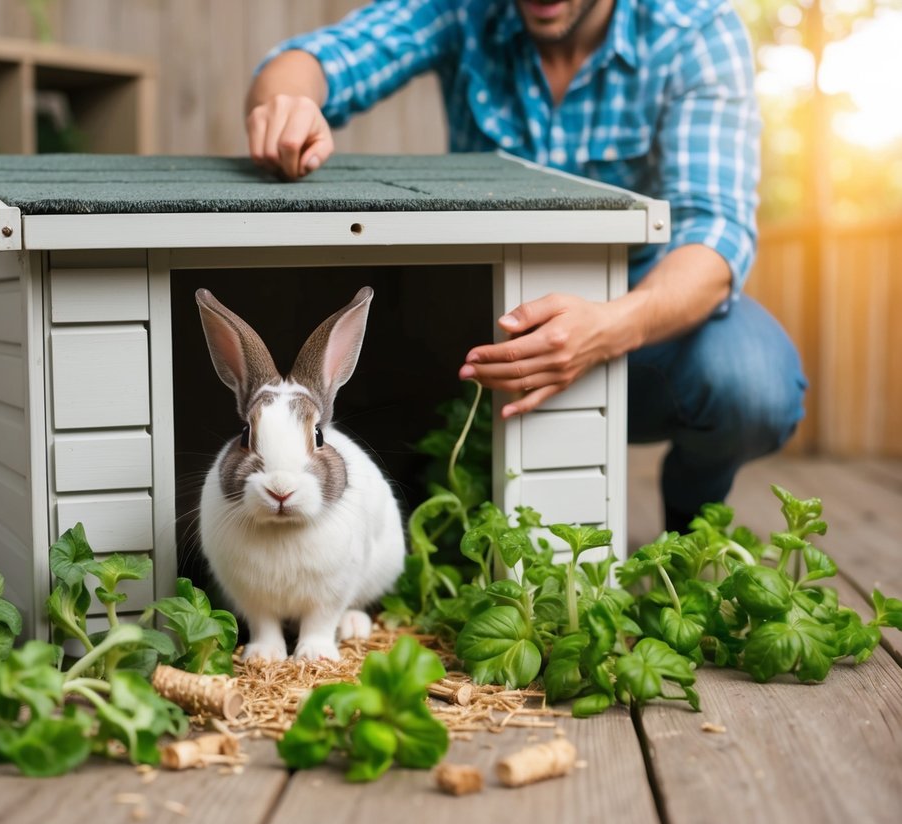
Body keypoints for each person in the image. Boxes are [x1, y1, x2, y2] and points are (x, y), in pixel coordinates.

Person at [243, 0, 807, 531]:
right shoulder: (463, 11)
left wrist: (609, 327)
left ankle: (692, 518)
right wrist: (288, 103)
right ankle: (440, 507)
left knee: (750, 384)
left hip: (638, 323)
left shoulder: (693, 30)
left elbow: (715, 231)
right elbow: (313, 61)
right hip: (485, 322)